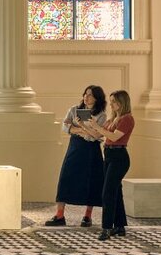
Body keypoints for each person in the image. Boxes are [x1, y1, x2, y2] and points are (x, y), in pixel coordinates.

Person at [44, 86, 107, 227]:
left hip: (92, 149)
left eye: (90, 95)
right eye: (85, 93)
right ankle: (59, 215)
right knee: (66, 176)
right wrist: (81, 130)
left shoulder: (101, 115)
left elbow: (97, 135)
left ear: (97, 98)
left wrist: (80, 128)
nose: (86, 96)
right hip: (76, 147)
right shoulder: (74, 109)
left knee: (92, 180)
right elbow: (65, 126)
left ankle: (87, 216)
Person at [84, 89, 134, 240]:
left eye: (114, 102)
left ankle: (106, 228)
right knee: (115, 192)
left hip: (119, 157)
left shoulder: (127, 119)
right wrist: (86, 126)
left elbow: (113, 136)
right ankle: (119, 226)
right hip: (109, 154)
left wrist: (98, 127)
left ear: (122, 102)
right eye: (111, 101)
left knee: (107, 193)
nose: (111, 104)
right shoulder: (112, 119)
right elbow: (98, 135)